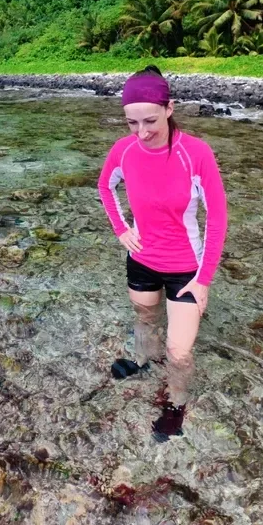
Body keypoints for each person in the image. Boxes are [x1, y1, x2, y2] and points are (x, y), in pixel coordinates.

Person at [97, 66, 228, 442]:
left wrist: (203, 281)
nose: (141, 132)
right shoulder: (123, 149)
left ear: (170, 108)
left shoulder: (196, 154)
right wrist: (122, 230)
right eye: (131, 122)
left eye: (150, 120)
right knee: (145, 316)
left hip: (186, 268)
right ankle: (141, 361)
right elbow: (105, 187)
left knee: (179, 350)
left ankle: (176, 402)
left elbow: (217, 219)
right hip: (141, 259)